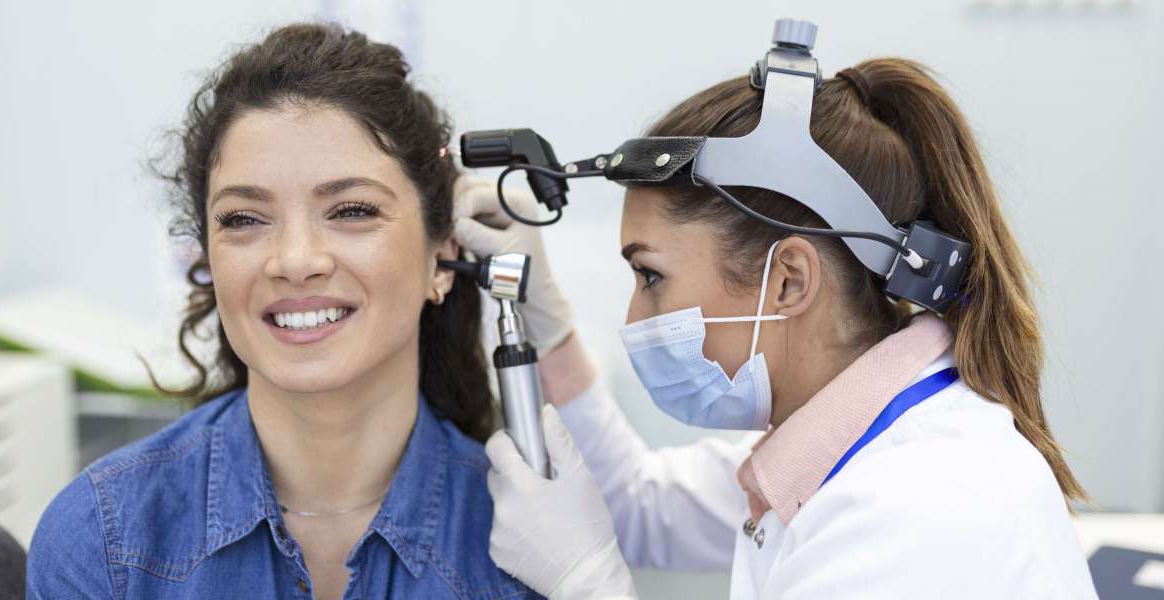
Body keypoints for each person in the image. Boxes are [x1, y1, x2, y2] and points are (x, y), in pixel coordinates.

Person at [456, 57, 1099, 598]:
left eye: (651, 277)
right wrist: (547, 316)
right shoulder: (839, 440)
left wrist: (586, 581)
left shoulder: (915, 505)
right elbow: (636, 504)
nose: (633, 320)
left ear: (787, 280)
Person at [26, 23, 539, 600]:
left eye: (351, 210)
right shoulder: (103, 541)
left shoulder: (531, 550)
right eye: (244, 219)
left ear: (442, 259)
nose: (295, 261)